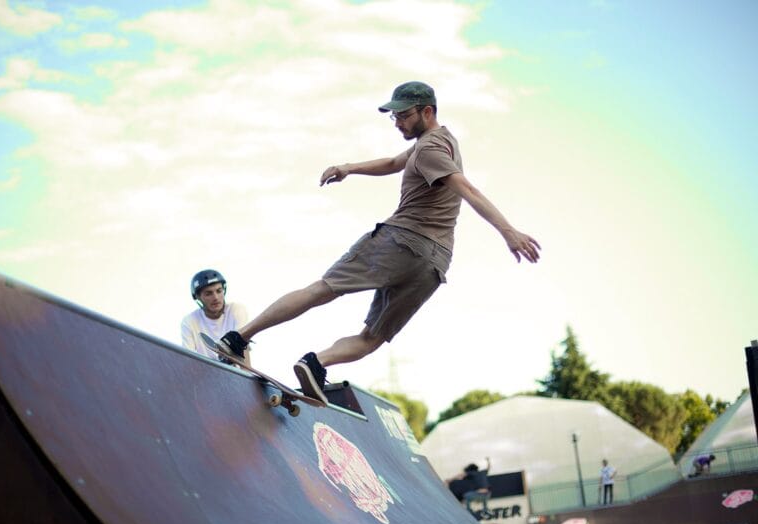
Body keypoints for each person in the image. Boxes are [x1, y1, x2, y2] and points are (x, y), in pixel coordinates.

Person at [218, 81, 540, 401]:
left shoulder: (428, 149)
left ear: (427, 112)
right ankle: (317, 363)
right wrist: (349, 168)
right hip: (434, 264)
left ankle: (239, 338)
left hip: (401, 242)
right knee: (372, 338)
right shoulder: (440, 141)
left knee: (322, 289)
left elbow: (468, 190)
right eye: (394, 117)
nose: (398, 123)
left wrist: (509, 232)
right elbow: (391, 163)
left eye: (403, 116)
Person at [181, 269, 250, 365]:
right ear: (198, 297)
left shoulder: (236, 310)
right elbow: (187, 359)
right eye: (208, 293)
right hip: (205, 374)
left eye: (219, 291)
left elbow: (243, 346)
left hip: (235, 370)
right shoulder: (189, 321)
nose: (216, 297)